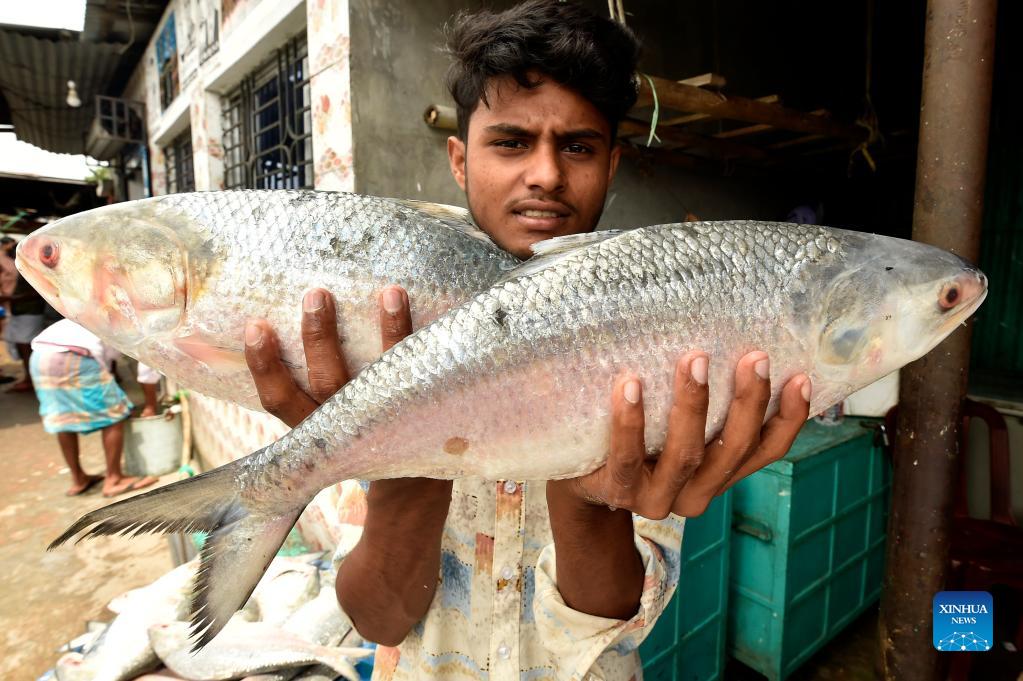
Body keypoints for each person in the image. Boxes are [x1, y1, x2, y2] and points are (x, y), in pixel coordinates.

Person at [243, 2, 812, 679]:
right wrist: (409, 450)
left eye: (576, 146)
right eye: (510, 142)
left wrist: (589, 492)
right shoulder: (387, 326)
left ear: (611, 164)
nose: (544, 173)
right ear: (458, 159)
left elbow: (605, 627)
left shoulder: (659, 336)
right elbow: (379, 619)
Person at [30, 318, 161, 497]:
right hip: (76, 356)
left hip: (40, 356)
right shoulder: (143, 326)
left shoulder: (105, 313)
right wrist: (151, 406)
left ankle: (78, 479)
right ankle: (114, 480)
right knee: (115, 414)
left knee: (63, 417)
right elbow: (148, 369)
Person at [2, 236, 47, 392]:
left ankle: (31, 380)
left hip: (29, 312)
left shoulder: (30, 266)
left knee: (26, 347)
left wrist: (11, 298)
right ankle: (31, 378)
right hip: (23, 312)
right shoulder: (21, 265)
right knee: (24, 346)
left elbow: (37, 291)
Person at [0, 235, 18, 384]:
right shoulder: (2, 259)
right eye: (12, 244)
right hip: (4, 303)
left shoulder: (10, 258)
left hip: (11, 304)